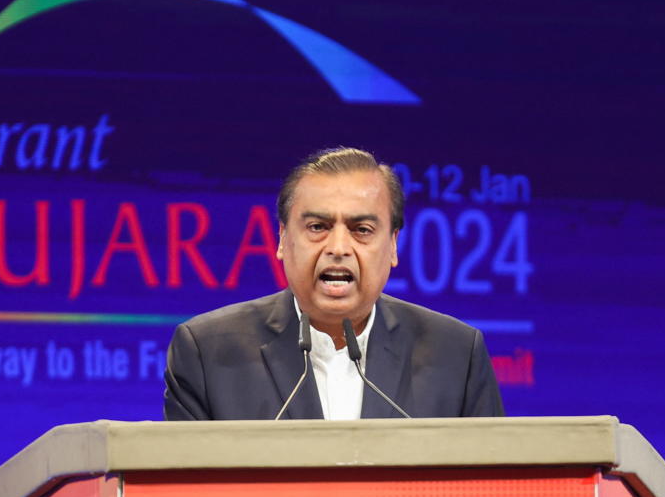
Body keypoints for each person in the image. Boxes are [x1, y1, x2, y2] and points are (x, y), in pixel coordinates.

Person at [163, 147, 504, 420]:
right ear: (282, 239)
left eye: (362, 230)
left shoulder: (457, 354)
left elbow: (489, 495)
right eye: (317, 227)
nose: (338, 248)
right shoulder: (206, 352)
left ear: (394, 245)